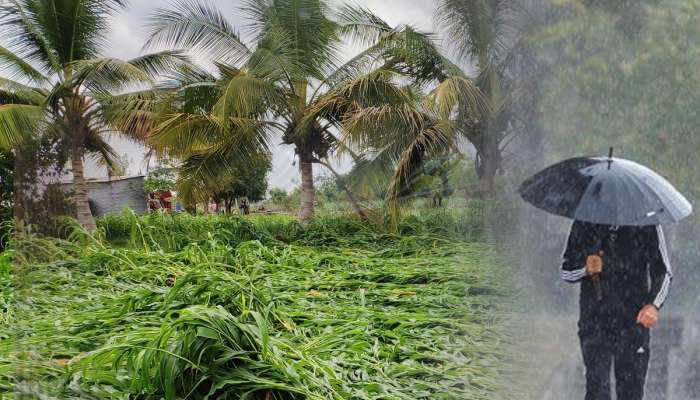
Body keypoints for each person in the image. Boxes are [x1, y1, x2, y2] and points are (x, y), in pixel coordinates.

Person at [560, 221, 672, 400]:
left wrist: (653, 305)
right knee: (597, 388)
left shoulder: (647, 220)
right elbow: (566, 270)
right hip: (594, 321)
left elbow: (663, 271)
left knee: (631, 390)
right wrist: (585, 269)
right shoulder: (585, 219)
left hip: (633, 321)